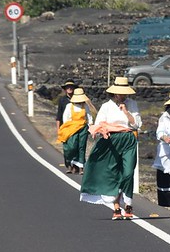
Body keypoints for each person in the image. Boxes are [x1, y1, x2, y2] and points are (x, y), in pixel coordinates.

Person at [79, 77, 141, 220]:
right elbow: (99, 123)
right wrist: (103, 130)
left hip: (128, 138)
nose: (123, 96)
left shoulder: (131, 104)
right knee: (113, 172)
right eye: (121, 93)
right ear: (115, 93)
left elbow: (137, 124)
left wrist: (126, 112)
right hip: (111, 140)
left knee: (128, 172)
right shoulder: (107, 106)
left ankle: (128, 202)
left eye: (125, 93)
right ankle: (117, 207)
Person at [57, 87, 96, 174]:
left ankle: (81, 167)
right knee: (72, 147)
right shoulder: (69, 106)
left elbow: (89, 116)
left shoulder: (85, 106)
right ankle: (71, 163)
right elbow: (65, 119)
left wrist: (91, 126)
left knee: (81, 147)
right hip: (72, 128)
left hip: (83, 128)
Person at [56, 79, 77, 167]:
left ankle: (75, 165)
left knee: (76, 146)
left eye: (71, 87)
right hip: (65, 127)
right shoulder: (62, 100)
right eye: (68, 87)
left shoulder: (78, 99)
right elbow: (59, 115)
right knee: (67, 147)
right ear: (65, 89)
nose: (69, 89)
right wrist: (58, 129)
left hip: (76, 126)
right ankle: (68, 164)